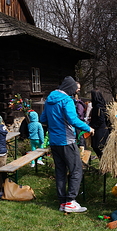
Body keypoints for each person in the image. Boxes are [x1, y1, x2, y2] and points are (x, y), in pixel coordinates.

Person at [40, 76, 94, 213]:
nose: (76, 92)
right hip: (67, 141)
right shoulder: (67, 101)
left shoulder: (49, 99)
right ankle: (70, 201)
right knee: (76, 169)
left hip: (54, 142)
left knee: (60, 171)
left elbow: (43, 118)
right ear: (70, 88)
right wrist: (88, 128)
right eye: (76, 89)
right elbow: (73, 119)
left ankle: (62, 202)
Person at [89, 89, 109, 159]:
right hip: (103, 128)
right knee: (98, 146)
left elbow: (100, 119)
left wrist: (92, 127)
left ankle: (103, 160)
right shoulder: (103, 105)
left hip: (99, 129)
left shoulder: (97, 107)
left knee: (96, 146)